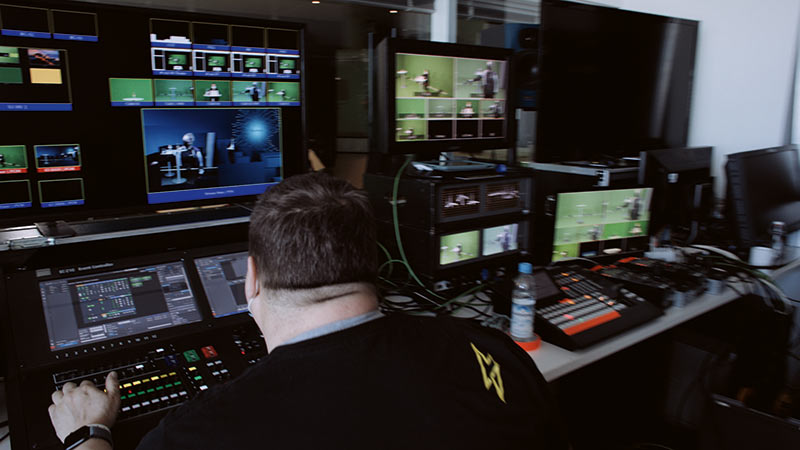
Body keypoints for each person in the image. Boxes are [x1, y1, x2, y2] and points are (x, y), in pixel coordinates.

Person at [48, 172, 568, 449]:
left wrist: (86, 434)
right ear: (372, 263)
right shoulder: (492, 350)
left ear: (251, 277)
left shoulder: (201, 430)